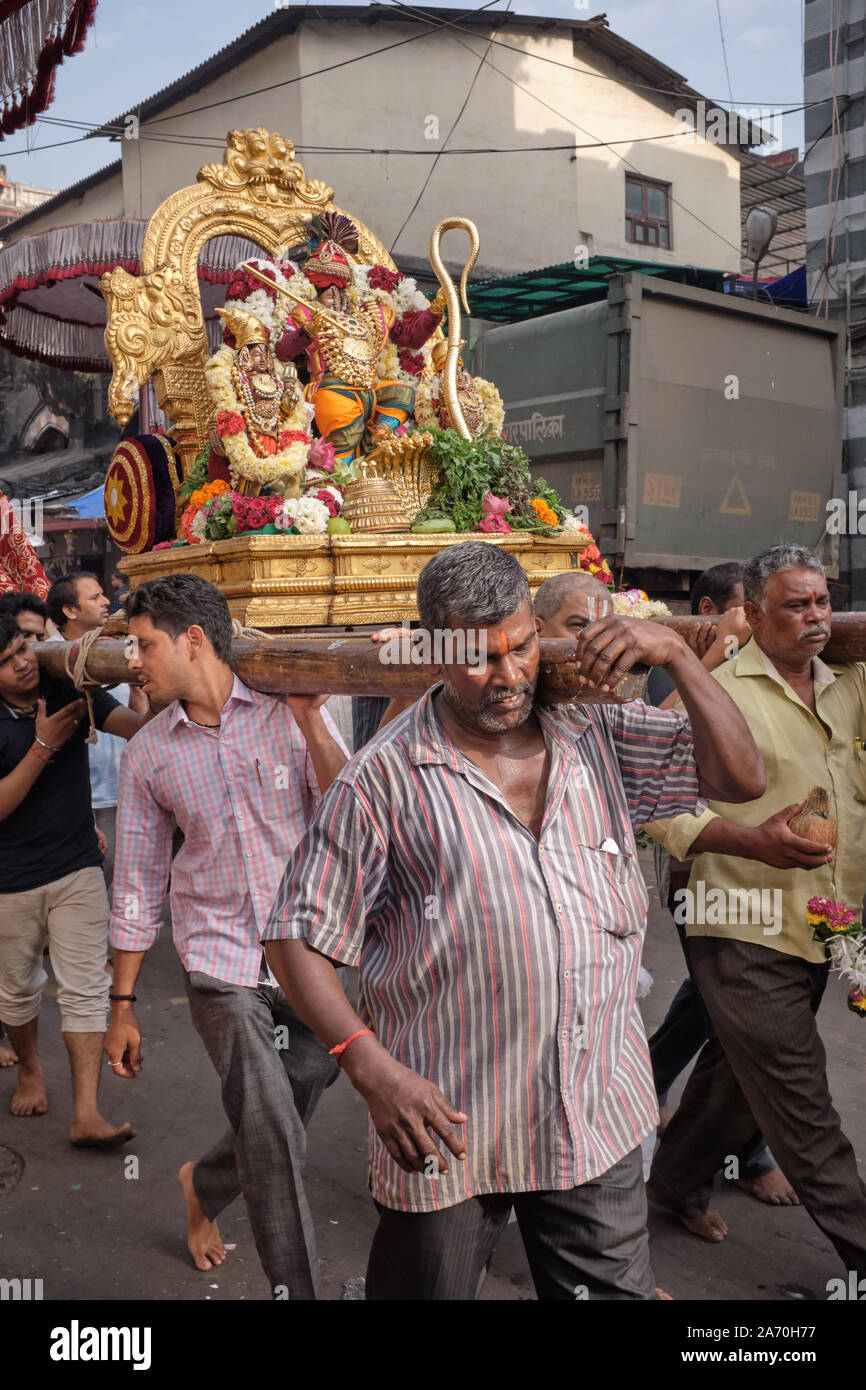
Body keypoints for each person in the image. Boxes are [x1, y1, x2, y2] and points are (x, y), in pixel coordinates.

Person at [262, 542, 764, 1300]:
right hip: (451, 1130)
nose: (509, 676)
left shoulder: (599, 735)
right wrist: (370, 1069)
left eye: (523, 647)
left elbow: (740, 780)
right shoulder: (384, 780)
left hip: (594, 1116)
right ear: (433, 651)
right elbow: (297, 934)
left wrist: (680, 658)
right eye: (479, 658)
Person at [103, 574, 350, 1300]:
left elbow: (345, 812)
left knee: (307, 1077)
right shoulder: (150, 754)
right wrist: (123, 1003)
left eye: (144, 644)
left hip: (306, 952)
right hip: (218, 962)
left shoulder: (285, 711)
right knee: (271, 1126)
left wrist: (311, 721)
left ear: (195, 640)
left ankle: (204, 1182)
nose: (134, 661)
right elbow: (139, 884)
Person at [646, 544, 866, 1272]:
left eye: (823, 602)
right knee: (801, 1096)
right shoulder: (719, 689)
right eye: (796, 605)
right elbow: (656, 805)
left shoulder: (849, 683)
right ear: (755, 614)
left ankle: (673, 1180)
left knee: (743, 1073)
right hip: (737, 917)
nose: (815, 616)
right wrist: (749, 841)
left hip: (826, 922)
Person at [0, 612, 145, 1145]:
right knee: (16, 993)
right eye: (7, 661)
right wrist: (43, 747)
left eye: (24, 649)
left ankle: (86, 1113)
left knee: (86, 989)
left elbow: (135, 730)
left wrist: (146, 681)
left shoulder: (63, 684)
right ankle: (31, 1068)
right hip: (9, 882)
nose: (23, 664)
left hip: (77, 866)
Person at [45, 570, 147, 894]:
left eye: (105, 595)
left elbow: (141, 720)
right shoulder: (49, 658)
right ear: (69, 611)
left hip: (121, 785)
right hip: (75, 792)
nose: (107, 601)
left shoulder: (126, 646)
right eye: (95, 597)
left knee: (117, 870)